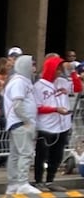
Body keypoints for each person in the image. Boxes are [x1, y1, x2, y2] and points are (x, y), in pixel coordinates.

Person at [33, 53, 75, 190]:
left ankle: (50, 180)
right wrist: (55, 109)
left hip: (63, 124)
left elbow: (78, 88)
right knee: (42, 154)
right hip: (46, 125)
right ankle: (39, 180)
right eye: (57, 69)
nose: (59, 72)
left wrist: (72, 72)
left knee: (57, 155)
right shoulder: (39, 86)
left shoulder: (62, 82)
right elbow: (37, 107)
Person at [3, 54, 41, 197]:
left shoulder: (22, 81)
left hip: (17, 123)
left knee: (15, 154)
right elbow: (17, 104)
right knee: (25, 153)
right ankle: (22, 183)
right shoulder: (20, 82)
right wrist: (27, 121)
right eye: (32, 64)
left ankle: (13, 184)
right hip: (21, 123)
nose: (34, 68)